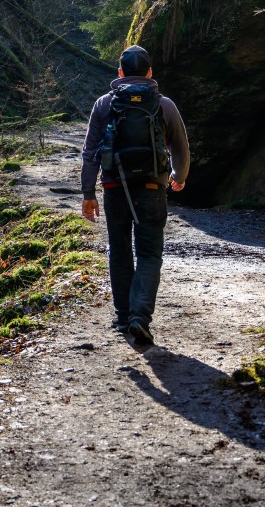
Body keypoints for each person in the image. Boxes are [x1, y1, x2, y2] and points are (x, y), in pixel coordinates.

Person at [79, 44, 189, 346]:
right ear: (150, 73)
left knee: (120, 250)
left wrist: (88, 192)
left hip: (115, 188)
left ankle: (125, 317)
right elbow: (180, 145)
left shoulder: (104, 103)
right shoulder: (164, 104)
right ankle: (140, 318)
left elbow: (90, 151)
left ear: (120, 73)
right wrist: (179, 176)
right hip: (153, 188)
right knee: (150, 253)